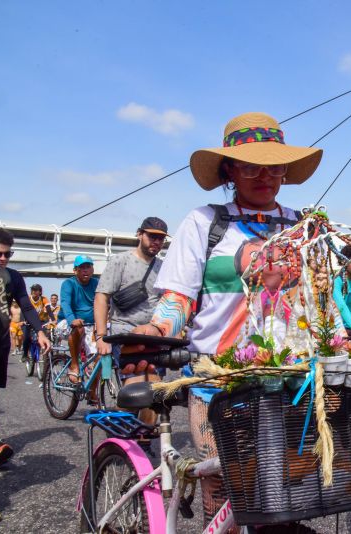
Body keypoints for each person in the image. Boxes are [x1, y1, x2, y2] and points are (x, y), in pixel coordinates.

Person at [131, 111, 322, 526]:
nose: (265, 175)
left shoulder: (301, 226)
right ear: (230, 169)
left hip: (288, 379)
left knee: (286, 492)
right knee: (221, 492)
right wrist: (156, 330)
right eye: (252, 164)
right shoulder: (205, 222)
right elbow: (178, 297)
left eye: (275, 165)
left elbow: (314, 300)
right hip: (216, 379)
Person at [0, 229, 51, 527]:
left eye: (8, 254)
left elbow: (26, 304)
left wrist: (41, 330)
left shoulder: (14, 277)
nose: (4, 258)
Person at [94, 217, 167, 426]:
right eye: (152, 236)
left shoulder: (163, 267)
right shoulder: (120, 261)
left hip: (154, 334)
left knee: (155, 388)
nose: (156, 242)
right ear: (139, 234)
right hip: (124, 331)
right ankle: (118, 427)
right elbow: (102, 297)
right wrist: (101, 336)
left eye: (160, 239)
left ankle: (143, 437)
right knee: (137, 385)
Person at [59, 256, 98, 383]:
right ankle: (74, 365)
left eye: (88, 267)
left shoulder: (97, 283)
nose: (85, 270)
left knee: (99, 357)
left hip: (90, 325)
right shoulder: (69, 283)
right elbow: (65, 303)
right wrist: (72, 320)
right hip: (67, 322)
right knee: (78, 328)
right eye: (81, 268)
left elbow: (104, 303)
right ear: (75, 270)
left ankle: (93, 394)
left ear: (92, 270)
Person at [21, 284, 49, 362]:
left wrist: (53, 319)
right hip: (28, 321)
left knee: (44, 335)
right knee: (26, 336)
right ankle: (25, 354)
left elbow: (49, 310)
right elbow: (23, 310)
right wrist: (22, 320)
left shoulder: (44, 299)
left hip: (40, 321)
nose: (33, 291)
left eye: (36, 290)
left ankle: (45, 353)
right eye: (32, 289)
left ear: (40, 292)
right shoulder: (28, 299)